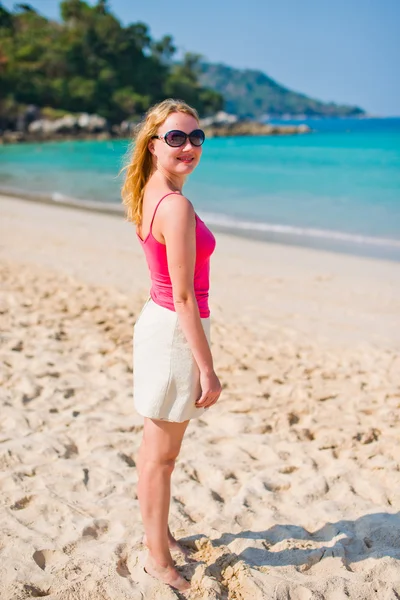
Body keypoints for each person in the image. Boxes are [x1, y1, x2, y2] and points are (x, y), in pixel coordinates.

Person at [121, 98, 222, 592]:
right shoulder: (175, 204)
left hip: (159, 324)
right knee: (160, 457)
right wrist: (208, 368)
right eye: (176, 138)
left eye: (196, 137)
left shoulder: (151, 191)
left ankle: (158, 536)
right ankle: (157, 559)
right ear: (154, 144)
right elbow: (184, 297)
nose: (189, 147)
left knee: (156, 453)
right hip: (173, 332)